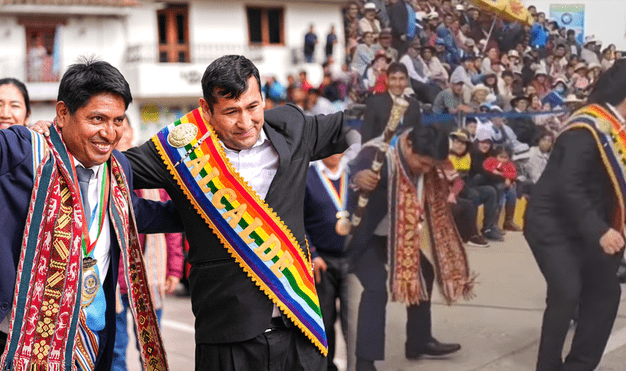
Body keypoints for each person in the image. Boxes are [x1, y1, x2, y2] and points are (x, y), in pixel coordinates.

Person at [123, 55, 356, 370]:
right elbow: (108, 172)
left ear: (263, 99)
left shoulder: (293, 128)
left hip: (297, 329)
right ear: (206, 109)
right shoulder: (179, 151)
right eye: (231, 112)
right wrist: (181, 216)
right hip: (228, 335)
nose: (245, 123)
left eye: (252, 107)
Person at [0, 60, 182, 369]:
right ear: (62, 113)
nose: (109, 133)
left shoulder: (118, 168)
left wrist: (206, 210)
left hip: (89, 339)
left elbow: (135, 213)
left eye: (118, 120)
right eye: (97, 118)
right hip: (18, 342)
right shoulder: (24, 150)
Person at [524, 59, 626, 371]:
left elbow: (595, 184)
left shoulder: (613, 128)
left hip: (583, 223)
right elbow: (567, 184)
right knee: (566, 291)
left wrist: (624, 211)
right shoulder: (587, 126)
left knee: (604, 293)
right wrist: (601, 230)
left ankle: (579, 365)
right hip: (551, 223)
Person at [349, 125, 471, 371]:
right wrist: (357, 179)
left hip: (396, 232)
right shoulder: (376, 154)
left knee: (424, 272)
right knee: (376, 288)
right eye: (422, 164)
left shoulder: (427, 164)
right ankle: (365, 362)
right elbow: (340, 175)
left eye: (430, 166)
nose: (426, 171)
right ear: (408, 146)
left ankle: (419, 340)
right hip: (360, 236)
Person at [111, 119, 184, 371]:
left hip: (148, 277)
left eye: (122, 125)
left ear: (130, 132)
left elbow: (171, 231)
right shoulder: (100, 172)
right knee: (115, 350)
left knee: (150, 348)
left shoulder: (152, 173)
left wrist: (174, 269)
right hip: (112, 280)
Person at [304, 153, 350, 371]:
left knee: (355, 320)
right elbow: (298, 220)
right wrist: (313, 254)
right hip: (323, 261)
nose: (335, 153)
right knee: (325, 320)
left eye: (339, 147)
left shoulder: (355, 175)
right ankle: (326, 366)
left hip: (354, 261)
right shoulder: (308, 177)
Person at [361, 62, 421, 143]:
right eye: (393, 79)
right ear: (387, 80)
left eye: (401, 79)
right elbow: (366, 139)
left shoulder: (414, 104)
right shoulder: (374, 103)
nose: (397, 84)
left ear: (407, 81)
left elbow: (418, 137)